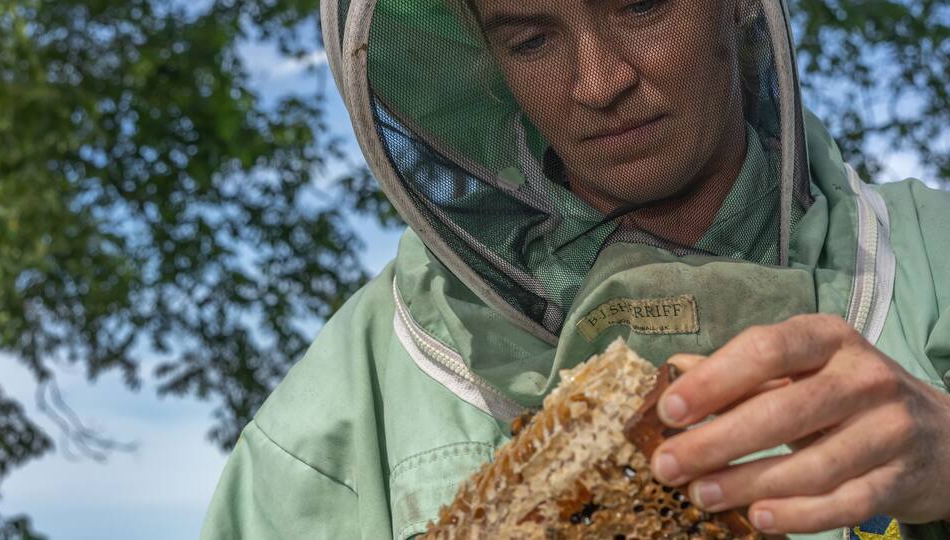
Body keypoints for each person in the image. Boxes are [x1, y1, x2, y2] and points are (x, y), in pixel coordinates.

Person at [200, 0, 950, 538]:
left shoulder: (931, 259)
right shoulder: (344, 399)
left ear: (740, 7)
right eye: (530, 38)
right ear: (489, 65)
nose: (599, 82)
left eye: (640, 6)